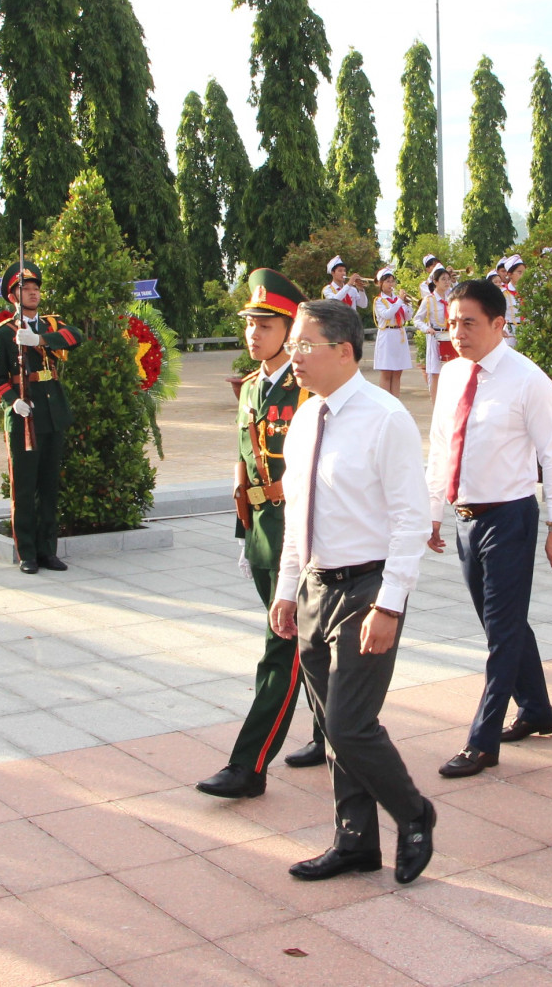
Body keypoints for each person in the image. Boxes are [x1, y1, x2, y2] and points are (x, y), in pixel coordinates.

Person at [269, 299, 435, 884]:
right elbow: (298, 514)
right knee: (330, 724)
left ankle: (414, 815)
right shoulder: (306, 417)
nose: (294, 357)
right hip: (316, 585)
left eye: (303, 345)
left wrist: (390, 603)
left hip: (368, 587)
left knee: (349, 725)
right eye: (291, 346)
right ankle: (356, 840)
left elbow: (411, 518)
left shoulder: (385, 417)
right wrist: (288, 588)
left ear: (343, 350)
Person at [425, 281, 552, 776]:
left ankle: (482, 741)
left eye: (469, 322)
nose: (458, 332)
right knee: (500, 623)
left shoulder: (529, 380)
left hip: (510, 516)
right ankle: (536, 709)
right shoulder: (450, 375)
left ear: (497, 324)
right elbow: (442, 446)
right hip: (466, 517)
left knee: (502, 631)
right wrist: (432, 513)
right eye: (452, 322)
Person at [198, 269, 328, 800]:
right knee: (309, 646)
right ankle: (331, 732)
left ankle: (248, 764)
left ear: (290, 329)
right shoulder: (252, 386)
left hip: (296, 535)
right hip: (261, 535)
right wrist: (244, 531)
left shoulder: (306, 390)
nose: (254, 334)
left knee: (283, 647)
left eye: (266, 324)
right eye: (250, 323)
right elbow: (245, 460)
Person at [0, 259, 86, 574]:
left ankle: (48, 551)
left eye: (35, 289)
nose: (32, 294)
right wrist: (13, 402)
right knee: (25, 488)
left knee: (48, 487)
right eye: (25, 290)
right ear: (13, 296)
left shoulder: (51, 326)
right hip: (24, 419)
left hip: (53, 415)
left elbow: (76, 336)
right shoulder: (3, 334)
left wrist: (40, 340)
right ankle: (27, 553)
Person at [415, 266, 455, 399]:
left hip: (451, 336)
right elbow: (417, 319)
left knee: (452, 371)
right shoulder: (429, 300)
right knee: (435, 373)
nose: (447, 282)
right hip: (435, 337)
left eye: (448, 279)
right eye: (443, 279)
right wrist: (427, 329)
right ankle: (436, 405)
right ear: (435, 282)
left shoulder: (452, 299)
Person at [371, 267, 412, 395]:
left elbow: (407, 317)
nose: (391, 284)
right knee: (386, 372)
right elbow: (387, 314)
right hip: (387, 336)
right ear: (380, 283)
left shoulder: (397, 300)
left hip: (399, 335)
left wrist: (408, 305)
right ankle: (386, 403)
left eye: (392, 281)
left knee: (397, 372)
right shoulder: (379, 301)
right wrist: (399, 301)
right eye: (387, 281)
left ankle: (396, 402)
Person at [499, 254, 526, 344]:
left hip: (528, 330)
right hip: (510, 333)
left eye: (524, 272)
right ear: (510, 274)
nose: (523, 276)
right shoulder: (503, 293)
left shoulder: (529, 291)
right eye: (519, 272)